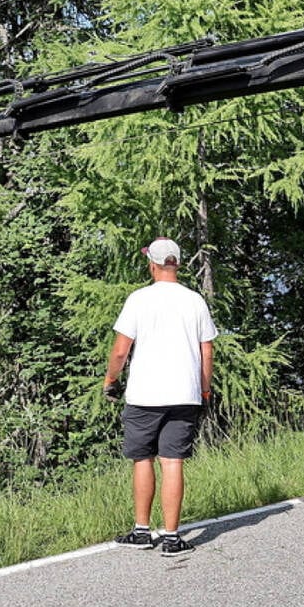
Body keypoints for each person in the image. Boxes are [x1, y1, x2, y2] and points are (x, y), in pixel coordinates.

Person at [103, 237, 217, 557]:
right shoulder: (195, 301)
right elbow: (206, 352)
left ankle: (142, 531)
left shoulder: (138, 299)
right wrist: (204, 389)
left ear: (152, 264)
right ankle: (171, 537)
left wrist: (111, 379)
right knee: (172, 462)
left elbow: (121, 350)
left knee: (143, 459)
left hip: (144, 394)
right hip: (185, 394)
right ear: (176, 264)